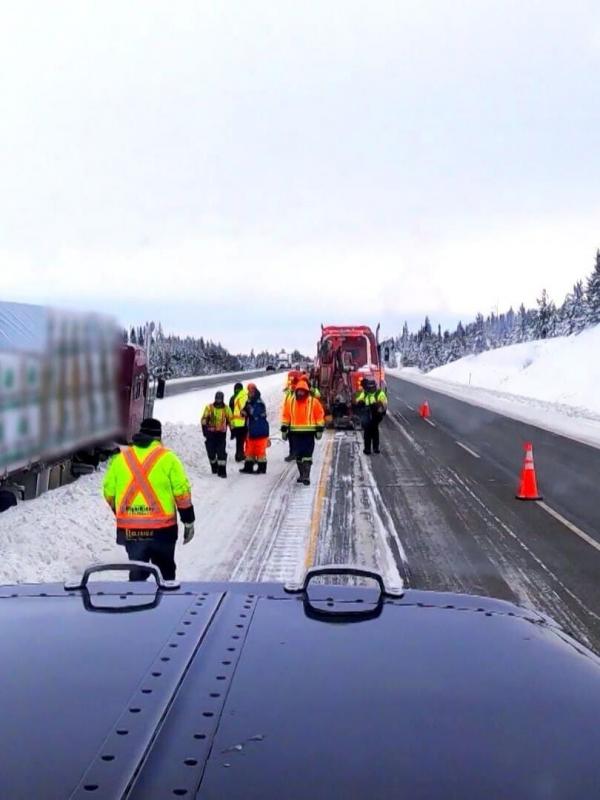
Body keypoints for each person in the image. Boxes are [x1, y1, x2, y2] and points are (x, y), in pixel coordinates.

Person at [102, 417, 195, 581]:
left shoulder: (121, 459)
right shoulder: (168, 458)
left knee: (138, 572)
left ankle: (137, 603)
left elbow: (109, 493)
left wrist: (122, 512)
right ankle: (166, 603)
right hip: (163, 530)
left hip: (132, 530)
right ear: (159, 437)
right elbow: (182, 494)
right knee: (166, 573)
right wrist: (188, 521)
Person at [280, 378, 325, 485]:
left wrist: (319, 429)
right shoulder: (290, 402)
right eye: (299, 391)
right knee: (299, 456)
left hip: (308, 434)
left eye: (302, 391)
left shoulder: (314, 402)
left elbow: (319, 415)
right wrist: (284, 428)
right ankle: (302, 475)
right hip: (295, 434)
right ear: (296, 391)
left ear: (306, 391)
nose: (300, 393)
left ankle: (306, 476)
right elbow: (286, 416)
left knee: (307, 455)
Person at [240, 383, 270, 474]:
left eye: (251, 391)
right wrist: (243, 412)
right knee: (249, 450)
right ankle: (248, 467)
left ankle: (262, 468)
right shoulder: (249, 401)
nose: (250, 393)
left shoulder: (259, 402)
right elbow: (246, 410)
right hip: (251, 429)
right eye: (249, 391)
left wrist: (247, 411)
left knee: (260, 450)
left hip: (260, 429)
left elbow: (254, 413)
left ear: (255, 391)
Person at [201, 391, 232, 477]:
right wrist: (205, 431)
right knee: (211, 452)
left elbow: (230, 420)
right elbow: (203, 420)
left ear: (222, 399)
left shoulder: (226, 408)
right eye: (217, 399)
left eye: (220, 399)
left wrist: (233, 431)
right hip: (210, 434)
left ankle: (222, 471)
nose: (218, 401)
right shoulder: (209, 408)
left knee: (221, 452)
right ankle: (214, 467)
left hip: (221, 434)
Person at [354, 379, 388, 455]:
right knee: (367, 431)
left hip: (376, 414)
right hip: (366, 413)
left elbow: (384, 403)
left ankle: (376, 448)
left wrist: (377, 405)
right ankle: (367, 449)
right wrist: (359, 402)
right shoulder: (365, 393)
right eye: (369, 388)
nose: (370, 389)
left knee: (374, 430)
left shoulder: (379, 393)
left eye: (372, 388)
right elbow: (357, 400)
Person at [229, 382, 248, 462]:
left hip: (235, 422)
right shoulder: (243, 397)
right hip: (243, 422)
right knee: (242, 440)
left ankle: (238, 454)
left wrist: (231, 427)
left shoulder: (232, 398)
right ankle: (240, 455)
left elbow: (230, 411)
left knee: (238, 440)